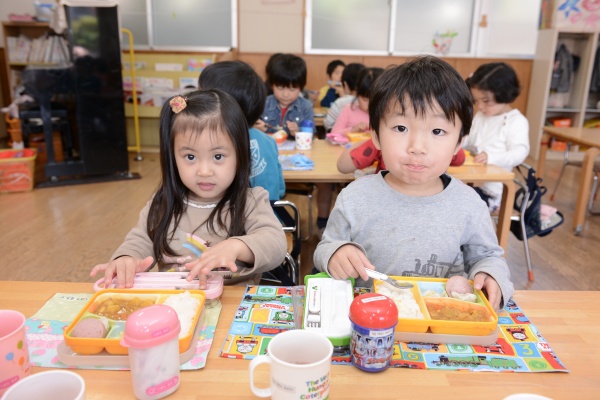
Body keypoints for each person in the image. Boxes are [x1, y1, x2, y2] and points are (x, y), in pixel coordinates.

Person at [313, 56, 514, 311]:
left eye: (437, 132)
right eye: (400, 128)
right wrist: (334, 254)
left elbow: (487, 258)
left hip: (442, 323)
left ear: (459, 142)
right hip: (368, 323)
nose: (417, 148)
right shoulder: (354, 197)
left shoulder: (468, 203)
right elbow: (325, 248)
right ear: (375, 136)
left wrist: (491, 275)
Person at [91, 90, 287, 289]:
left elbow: (275, 244)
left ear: (240, 155)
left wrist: (237, 246)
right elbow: (140, 240)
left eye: (218, 156)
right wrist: (127, 258)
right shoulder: (162, 203)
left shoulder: (251, 201)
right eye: (190, 157)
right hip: (174, 306)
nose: (204, 171)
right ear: (172, 157)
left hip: (232, 307)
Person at [198, 60, 285, 201]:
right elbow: (280, 189)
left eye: (201, 95)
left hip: (230, 220)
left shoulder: (210, 142)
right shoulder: (268, 141)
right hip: (271, 216)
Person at [316, 67, 384, 239]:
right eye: (364, 99)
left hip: (372, 168)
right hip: (347, 157)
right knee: (327, 182)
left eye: (373, 100)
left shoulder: (385, 115)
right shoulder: (349, 109)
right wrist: (351, 130)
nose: (368, 105)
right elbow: (333, 134)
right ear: (356, 93)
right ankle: (324, 222)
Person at [463, 62, 530, 212]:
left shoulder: (516, 121)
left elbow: (519, 153)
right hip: (469, 182)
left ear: (504, 95)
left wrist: (490, 157)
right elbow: (468, 138)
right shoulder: (481, 115)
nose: (480, 107)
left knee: (458, 208)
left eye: (486, 101)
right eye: (476, 101)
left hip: (491, 191)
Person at [258, 53, 314, 139]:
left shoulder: (306, 106)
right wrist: (256, 128)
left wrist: (297, 132)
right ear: (272, 85)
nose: (285, 94)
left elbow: (311, 136)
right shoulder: (263, 104)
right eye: (280, 88)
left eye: (292, 89)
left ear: (301, 88)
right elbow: (250, 130)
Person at [324, 62, 366, 131]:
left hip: (342, 139)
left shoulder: (340, 102)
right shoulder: (370, 102)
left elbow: (328, 125)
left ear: (345, 84)